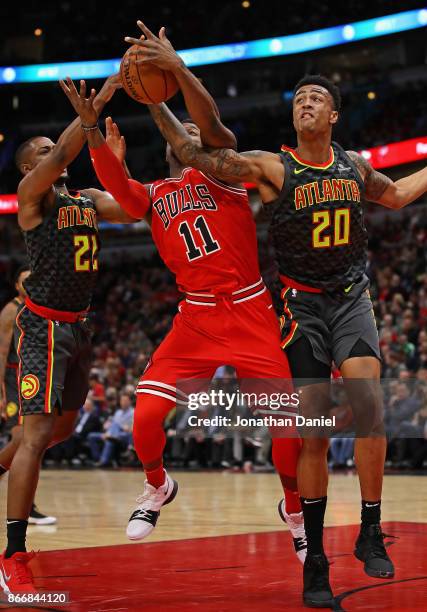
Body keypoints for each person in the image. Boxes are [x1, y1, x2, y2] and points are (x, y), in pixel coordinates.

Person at [146, 72, 427, 607]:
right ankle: (316, 556)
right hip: (301, 307)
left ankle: (370, 527)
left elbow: (397, 195)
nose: (306, 103)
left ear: (334, 115)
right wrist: (160, 100)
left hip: (350, 299)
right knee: (313, 435)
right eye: (299, 98)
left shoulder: (353, 166)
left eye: (317, 98)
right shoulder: (275, 167)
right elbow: (200, 155)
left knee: (370, 408)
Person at [63, 20, 306, 564]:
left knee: (287, 429)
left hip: (248, 311)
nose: (191, 137)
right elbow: (121, 193)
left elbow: (209, 123)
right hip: (194, 320)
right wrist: (96, 135)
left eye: (193, 135)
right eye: (184, 136)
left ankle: (293, 508)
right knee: (146, 417)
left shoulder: (223, 171)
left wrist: (175, 74)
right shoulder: (153, 194)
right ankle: (158, 485)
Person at [0, 74, 137, 595]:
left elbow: (130, 208)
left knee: (62, 431)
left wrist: (116, 164)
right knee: (35, 437)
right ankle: (13, 553)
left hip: (79, 329)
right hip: (41, 328)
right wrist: (96, 105)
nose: (50, 153)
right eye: (39, 150)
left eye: (48, 147)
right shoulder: (32, 194)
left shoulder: (85, 198)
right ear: (28, 167)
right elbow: (60, 153)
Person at [0, 266, 56, 525]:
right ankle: (26, 507)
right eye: (24, 280)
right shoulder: (11, 310)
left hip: (34, 376)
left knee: (32, 440)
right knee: (21, 437)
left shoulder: (39, 306)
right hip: (13, 379)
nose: (29, 283)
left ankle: (25, 503)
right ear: (16, 286)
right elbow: (1, 352)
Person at [87, 392, 134, 466]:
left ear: (130, 402)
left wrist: (127, 428)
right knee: (91, 436)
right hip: (111, 433)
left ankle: (103, 461)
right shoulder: (118, 412)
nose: (123, 402)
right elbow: (112, 424)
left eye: (125, 400)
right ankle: (97, 458)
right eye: (122, 400)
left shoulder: (133, 412)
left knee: (110, 439)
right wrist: (107, 431)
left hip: (124, 435)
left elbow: (133, 428)